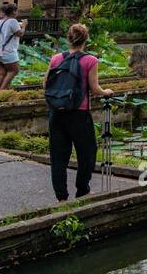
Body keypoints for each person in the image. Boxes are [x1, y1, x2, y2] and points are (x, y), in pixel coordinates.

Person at [44, 23, 113, 202]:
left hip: (56, 113)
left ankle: (61, 198)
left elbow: (45, 85)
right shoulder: (90, 60)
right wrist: (107, 92)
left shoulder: (56, 59)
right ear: (86, 39)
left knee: (58, 156)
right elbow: (95, 88)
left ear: (68, 38)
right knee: (87, 153)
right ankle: (82, 190)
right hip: (79, 113)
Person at [0, 2, 26, 91]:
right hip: (8, 51)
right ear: (13, 12)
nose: (17, 13)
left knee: (1, 73)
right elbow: (20, 33)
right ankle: (1, 91)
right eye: (17, 11)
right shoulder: (12, 21)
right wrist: (24, 25)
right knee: (14, 70)